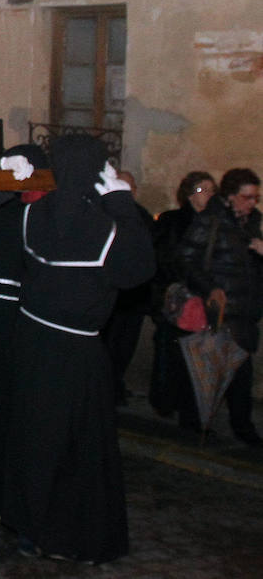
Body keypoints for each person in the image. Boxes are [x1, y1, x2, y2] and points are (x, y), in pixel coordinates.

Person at [3, 136, 154, 563]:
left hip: (31, 340)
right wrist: (123, 205)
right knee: (75, 447)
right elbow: (140, 269)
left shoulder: (33, 213)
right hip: (74, 349)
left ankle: (29, 528)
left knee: (34, 437)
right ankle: (65, 534)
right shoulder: (105, 229)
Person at [0, 142, 48, 519]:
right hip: (4, 314)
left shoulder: (14, 208)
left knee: (0, 404)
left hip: (8, 314)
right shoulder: (15, 210)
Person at [174, 167, 263, 444]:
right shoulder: (210, 221)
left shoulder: (252, 223)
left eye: (256, 197)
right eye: (247, 197)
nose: (253, 203)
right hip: (218, 312)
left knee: (240, 373)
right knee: (205, 370)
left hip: (245, 313)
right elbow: (185, 259)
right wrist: (210, 288)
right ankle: (196, 424)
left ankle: (241, 427)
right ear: (231, 197)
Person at [148, 171, 216, 419]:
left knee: (198, 355)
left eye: (211, 190)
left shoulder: (215, 225)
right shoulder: (172, 221)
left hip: (203, 300)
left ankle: (191, 407)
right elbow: (164, 258)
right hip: (175, 298)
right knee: (170, 350)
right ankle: (165, 401)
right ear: (189, 194)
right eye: (203, 189)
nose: (208, 194)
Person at [101, 170, 156, 405]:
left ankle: (116, 385)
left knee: (125, 348)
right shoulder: (102, 214)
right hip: (112, 298)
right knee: (109, 348)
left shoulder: (141, 217)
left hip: (133, 299)